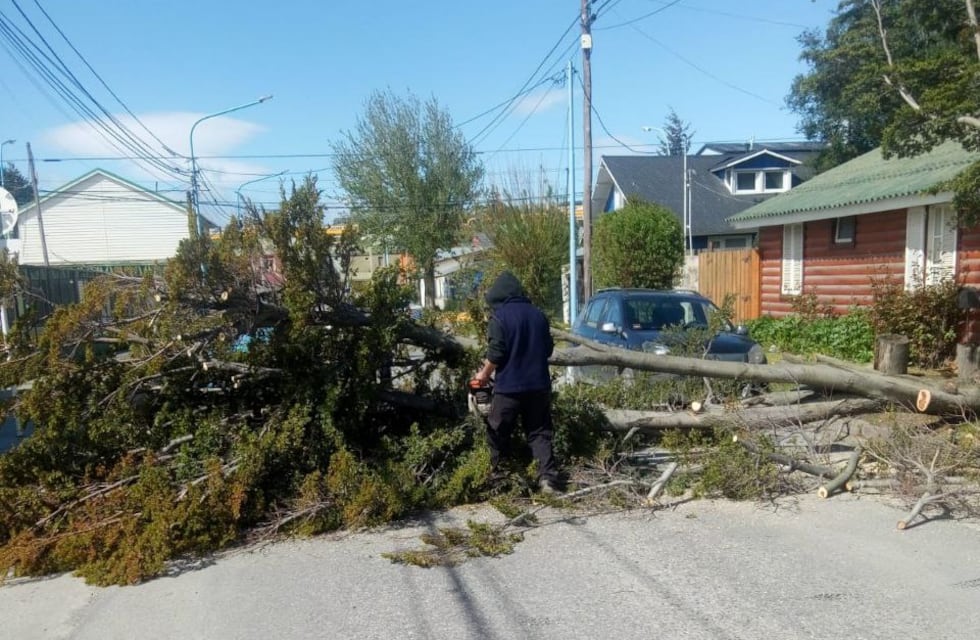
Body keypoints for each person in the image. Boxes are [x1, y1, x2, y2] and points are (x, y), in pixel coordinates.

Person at [473, 271, 559, 493]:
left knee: (497, 431)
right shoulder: (538, 315)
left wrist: (482, 376)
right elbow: (548, 349)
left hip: (509, 388)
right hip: (539, 386)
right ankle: (547, 479)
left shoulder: (499, 318)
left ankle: (500, 478)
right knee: (540, 432)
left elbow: (496, 354)